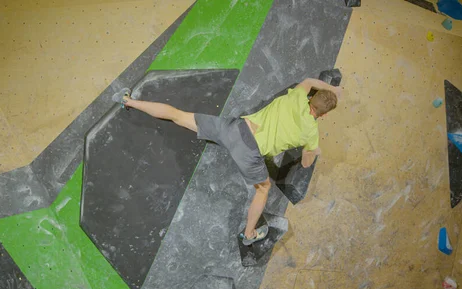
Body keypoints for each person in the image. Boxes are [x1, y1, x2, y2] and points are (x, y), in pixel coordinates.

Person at [118, 78, 340, 245]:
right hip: (249, 154)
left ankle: (129, 101)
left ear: (311, 97)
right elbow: (305, 164)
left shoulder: (296, 97)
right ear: (324, 115)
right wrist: (314, 149)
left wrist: (333, 89)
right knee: (263, 189)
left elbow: (309, 81)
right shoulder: (311, 133)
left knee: (178, 115)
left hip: (235, 128)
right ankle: (249, 234)